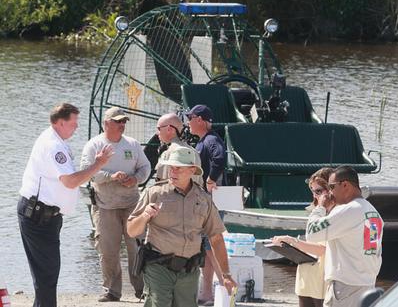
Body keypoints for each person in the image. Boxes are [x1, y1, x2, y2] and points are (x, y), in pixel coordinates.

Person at [18, 103, 113, 307]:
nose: (76, 127)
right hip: (38, 215)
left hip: (45, 215)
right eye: (73, 123)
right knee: (46, 273)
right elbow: (70, 181)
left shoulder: (56, 140)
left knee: (46, 273)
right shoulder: (53, 145)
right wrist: (98, 164)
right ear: (60, 123)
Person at [127, 146, 237, 307]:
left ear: (192, 170)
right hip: (158, 267)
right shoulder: (155, 193)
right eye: (171, 168)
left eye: (178, 168)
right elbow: (131, 230)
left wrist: (226, 275)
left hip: (189, 271)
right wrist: (145, 216)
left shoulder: (203, 199)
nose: (173, 172)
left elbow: (216, 238)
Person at [80, 106, 151, 302]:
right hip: (104, 205)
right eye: (118, 121)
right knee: (107, 249)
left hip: (132, 204)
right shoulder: (93, 145)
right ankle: (112, 291)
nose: (122, 125)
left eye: (124, 122)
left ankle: (142, 290)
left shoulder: (132, 144)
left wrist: (136, 179)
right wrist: (111, 177)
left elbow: (146, 167)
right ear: (106, 123)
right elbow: (86, 171)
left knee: (136, 248)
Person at [306, 166, 384, 307]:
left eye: (331, 187)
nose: (329, 192)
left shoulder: (348, 210)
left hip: (345, 288)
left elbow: (311, 233)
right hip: (366, 285)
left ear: (345, 185)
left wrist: (321, 207)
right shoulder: (373, 212)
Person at [272, 168, 335, 307]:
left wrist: (292, 241)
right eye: (312, 191)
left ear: (330, 189)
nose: (315, 195)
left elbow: (322, 249)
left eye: (318, 191)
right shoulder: (317, 211)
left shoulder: (336, 214)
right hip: (307, 275)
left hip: (322, 278)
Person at [186, 104, 227, 305]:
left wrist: (210, 179)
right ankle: (208, 294)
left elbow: (220, 157)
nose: (188, 122)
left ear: (200, 120)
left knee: (211, 245)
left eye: (190, 118)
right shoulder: (204, 140)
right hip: (206, 202)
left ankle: (227, 289)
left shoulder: (211, 139)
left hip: (210, 203)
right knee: (207, 247)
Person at [155, 112, 202, 185]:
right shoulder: (193, 151)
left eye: (159, 128)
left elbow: (162, 185)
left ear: (169, 129)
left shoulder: (169, 152)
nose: (157, 133)